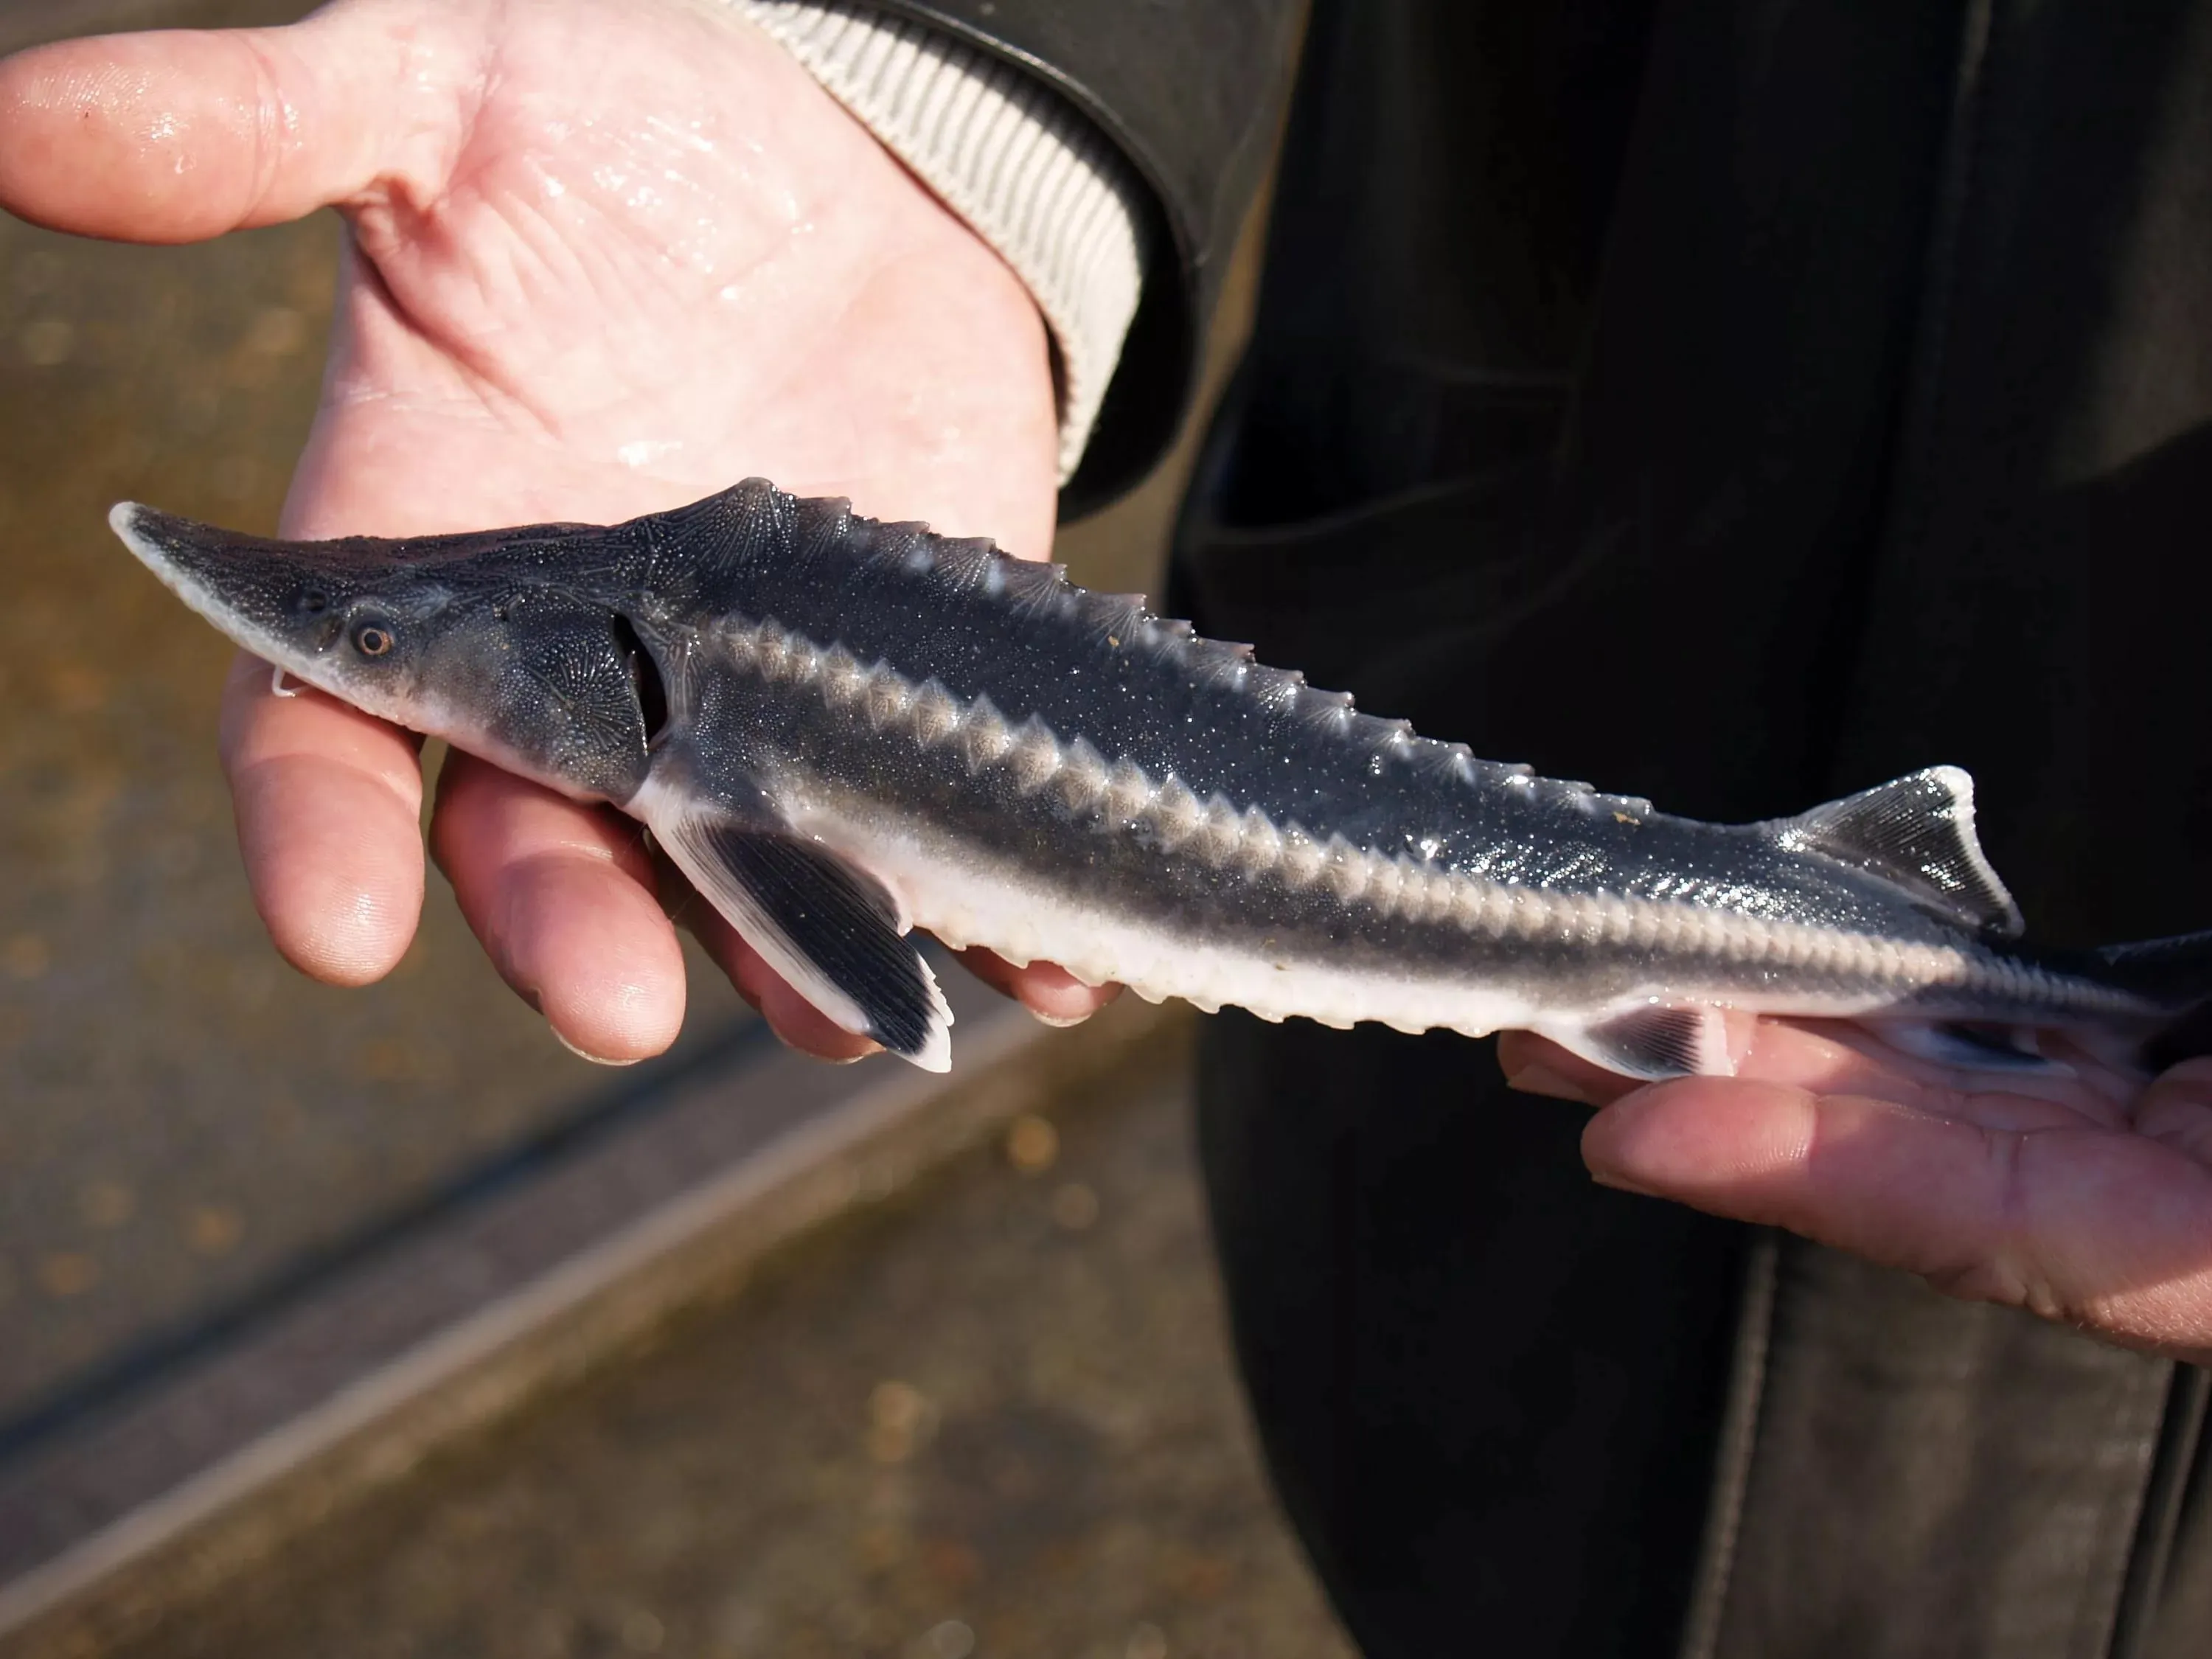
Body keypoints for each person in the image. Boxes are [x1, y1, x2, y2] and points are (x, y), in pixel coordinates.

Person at [4, 1, 2211, 1652]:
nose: (365, 657)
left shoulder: (717, 748)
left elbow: (877, 974)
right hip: (1470, 1289)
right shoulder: (676, 661)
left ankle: (2007, 981)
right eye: (396, 652)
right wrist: (911, 58)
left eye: (396, 656)